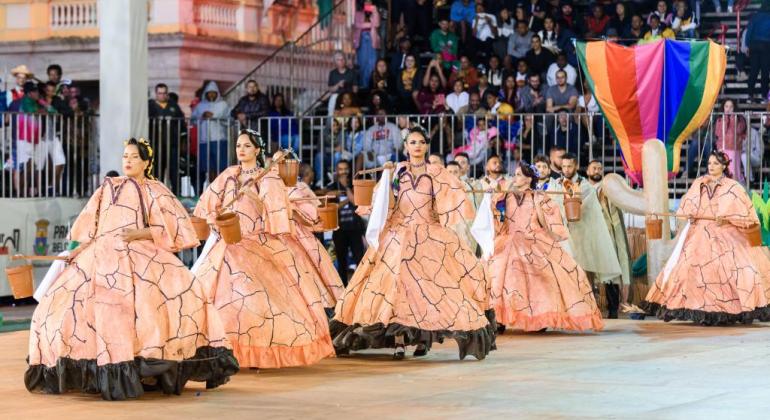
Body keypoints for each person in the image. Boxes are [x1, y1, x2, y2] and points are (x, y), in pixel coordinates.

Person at [26, 138, 238, 400]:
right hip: (99, 255)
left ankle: (145, 365)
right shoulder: (107, 188)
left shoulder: (155, 190)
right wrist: (76, 251)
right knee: (65, 307)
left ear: (147, 162)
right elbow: (92, 231)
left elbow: (172, 228)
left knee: (156, 305)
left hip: (140, 253)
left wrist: (139, 233)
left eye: (134, 157)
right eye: (125, 156)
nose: (127, 161)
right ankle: (93, 367)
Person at [330, 127, 494, 360]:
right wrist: (386, 178)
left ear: (426, 146)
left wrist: (485, 191)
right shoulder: (397, 171)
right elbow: (385, 203)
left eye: (421, 142)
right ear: (405, 146)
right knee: (396, 288)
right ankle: (399, 342)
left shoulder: (437, 172)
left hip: (429, 236)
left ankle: (422, 339)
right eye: (412, 142)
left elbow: (453, 197)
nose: (416, 146)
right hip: (397, 236)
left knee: (428, 290)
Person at [192, 130, 336, 368]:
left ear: (257, 150)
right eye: (239, 145)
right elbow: (207, 204)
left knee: (254, 299)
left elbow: (275, 212)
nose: (241, 149)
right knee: (223, 297)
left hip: (257, 242)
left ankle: (258, 351)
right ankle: (225, 348)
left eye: (247, 146)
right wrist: (214, 219)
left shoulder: (267, 177)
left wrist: (254, 196)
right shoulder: (229, 175)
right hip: (229, 243)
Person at [642, 150, 770, 325]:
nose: (711, 166)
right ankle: (699, 308)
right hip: (699, 233)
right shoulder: (699, 183)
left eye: (716, 163)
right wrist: (691, 215)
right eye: (709, 163)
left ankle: (727, 309)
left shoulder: (733, 187)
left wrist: (726, 217)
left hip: (726, 233)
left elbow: (745, 212)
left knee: (732, 270)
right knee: (689, 268)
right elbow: (688, 205)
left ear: (724, 166)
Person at [488, 163, 603, 332]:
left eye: (519, 175)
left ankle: (538, 317)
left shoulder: (538, 196)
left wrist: (540, 202)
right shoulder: (506, 196)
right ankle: (499, 318)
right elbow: (497, 217)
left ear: (529, 179)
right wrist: (494, 197)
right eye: (515, 174)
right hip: (509, 240)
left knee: (543, 276)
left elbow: (548, 220)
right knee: (499, 274)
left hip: (533, 239)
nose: (515, 178)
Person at [547, 154, 623, 309]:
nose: (566, 169)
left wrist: (571, 204)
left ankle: (593, 305)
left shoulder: (585, 185)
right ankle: (572, 306)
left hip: (584, 234)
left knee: (587, 269)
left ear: (576, 166)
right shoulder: (555, 184)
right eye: (564, 166)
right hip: (565, 235)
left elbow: (586, 207)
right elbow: (551, 202)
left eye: (569, 166)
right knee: (568, 270)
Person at [287, 176, 346, 312]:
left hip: (306, 234)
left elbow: (317, 208)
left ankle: (328, 310)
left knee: (318, 271)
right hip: (292, 235)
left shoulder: (299, 187)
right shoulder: (274, 186)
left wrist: (306, 219)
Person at [586, 160, 631, 317]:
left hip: (607, 234)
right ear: (587, 171)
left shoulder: (608, 189)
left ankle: (613, 309)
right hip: (587, 234)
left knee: (611, 270)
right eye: (594, 168)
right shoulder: (582, 187)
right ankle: (590, 309)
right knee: (589, 272)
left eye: (600, 168)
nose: (597, 170)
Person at [326, 160, 365, 284]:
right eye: (340, 169)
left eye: (345, 169)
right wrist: (347, 199)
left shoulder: (355, 185)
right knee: (341, 261)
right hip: (340, 229)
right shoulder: (332, 186)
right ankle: (343, 287)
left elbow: (356, 203)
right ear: (337, 171)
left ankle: (361, 285)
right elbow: (333, 206)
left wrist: (347, 188)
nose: (343, 172)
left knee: (360, 259)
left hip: (355, 228)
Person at [714, 99, 747, 183]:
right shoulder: (720, 119)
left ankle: (736, 189)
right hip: (722, 148)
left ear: (734, 108)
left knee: (733, 171)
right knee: (723, 171)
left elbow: (738, 130)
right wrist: (725, 119)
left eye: (731, 107)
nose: (728, 109)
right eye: (726, 106)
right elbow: (718, 133)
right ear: (723, 108)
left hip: (734, 149)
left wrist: (732, 118)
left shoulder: (740, 119)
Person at [745, 3, 770, 103]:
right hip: (766, 46)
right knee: (765, 72)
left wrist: (747, 45)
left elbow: (749, 31)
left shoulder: (755, 16)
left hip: (754, 45)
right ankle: (764, 96)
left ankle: (750, 95)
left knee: (754, 71)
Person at [353, 0, 381, 88]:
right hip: (362, 38)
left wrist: (375, 11)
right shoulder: (358, 13)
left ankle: (366, 84)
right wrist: (370, 25)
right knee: (362, 62)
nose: (368, 4)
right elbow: (357, 25)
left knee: (372, 63)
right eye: (366, 2)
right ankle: (362, 84)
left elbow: (376, 24)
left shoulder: (374, 13)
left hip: (372, 38)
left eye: (370, 2)